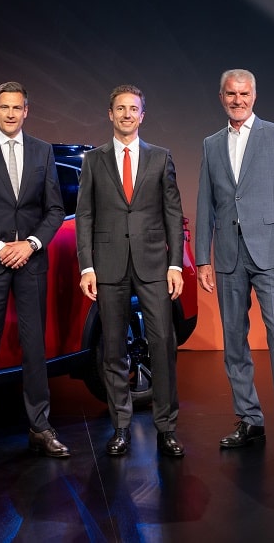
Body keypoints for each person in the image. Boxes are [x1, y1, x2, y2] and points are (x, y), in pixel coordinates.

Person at [195, 68, 274, 466]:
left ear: (254, 96)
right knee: (234, 340)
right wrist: (203, 258)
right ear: (221, 97)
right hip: (228, 255)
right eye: (231, 94)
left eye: (244, 94)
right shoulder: (211, 144)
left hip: (270, 254)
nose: (238, 100)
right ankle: (249, 420)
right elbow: (206, 203)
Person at [0, 81, 69, 464]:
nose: (10, 113)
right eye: (4, 107)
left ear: (26, 111)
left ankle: (40, 428)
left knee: (34, 347)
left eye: (16, 107)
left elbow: (55, 209)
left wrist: (31, 244)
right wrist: (0, 247)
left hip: (32, 261)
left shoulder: (42, 150)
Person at [76, 84, 190, 458]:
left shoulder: (160, 157)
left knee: (163, 344)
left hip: (154, 263)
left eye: (133, 109)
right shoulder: (94, 160)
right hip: (109, 266)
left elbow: (173, 213)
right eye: (121, 109)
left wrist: (175, 263)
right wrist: (87, 266)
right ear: (110, 114)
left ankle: (166, 428)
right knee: (113, 349)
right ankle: (121, 427)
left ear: (142, 116)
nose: (127, 114)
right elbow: (85, 216)